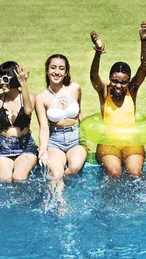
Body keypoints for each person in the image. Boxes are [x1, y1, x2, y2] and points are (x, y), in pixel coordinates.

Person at [89, 22, 146, 178]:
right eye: (115, 80)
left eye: (123, 82)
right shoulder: (104, 93)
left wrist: (143, 41)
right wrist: (98, 51)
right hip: (109, 144)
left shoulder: (132, 91)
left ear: (128, 82)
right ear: (110, 79)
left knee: (135, 173)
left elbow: (144, 67)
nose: (118, 85)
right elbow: (94, 76)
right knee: (114, 172)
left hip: (131, 143)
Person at [35, 54, 86, 184]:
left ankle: (61, 185)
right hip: (54, 141)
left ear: (66, 72)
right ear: (47, 70)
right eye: (53, 68)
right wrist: (43, 149)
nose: (57, 72)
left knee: (74, 167)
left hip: (75, 139)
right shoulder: (41, 97)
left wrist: (86, 136)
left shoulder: (75, 88)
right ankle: (59, 203)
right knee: (56, 174)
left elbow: (79, 113)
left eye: (61, 68)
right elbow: (44, 127)